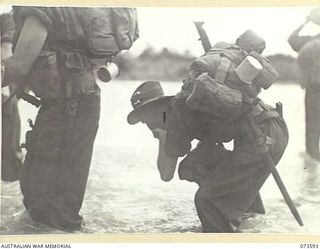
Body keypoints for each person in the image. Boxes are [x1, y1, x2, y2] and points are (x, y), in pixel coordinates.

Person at [127, 30, 288, 232]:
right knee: (195, 164)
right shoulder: (189, 104)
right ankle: (249, 221)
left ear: (157, 108)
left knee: (208, 201)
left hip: (262, 137)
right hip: (271, 129)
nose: (146, 124)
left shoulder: (176, 115)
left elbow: (166, 174)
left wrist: (163, 136)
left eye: (145, 117)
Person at [1, 6, 139, 231]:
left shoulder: (40, 9)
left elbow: (19, 64)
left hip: (68, 106)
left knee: (46, 201)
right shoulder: (67, 10)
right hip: (79, 101)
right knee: (55, 201)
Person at [288, 7, 320, 162]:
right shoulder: (311, 41)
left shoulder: (311, 42)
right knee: (312, 125)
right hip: (314, 88)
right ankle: (313, 159)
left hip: (313, 88)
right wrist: (307, 20)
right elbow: (292, 39)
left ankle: (313, 157)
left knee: (312, 124)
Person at [1, 11, 23, 182]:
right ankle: (10, 170)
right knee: (9, 115)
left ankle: (10, 169)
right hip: (3, 77)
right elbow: (6, 47)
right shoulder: (8, 16)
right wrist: (5, 83)